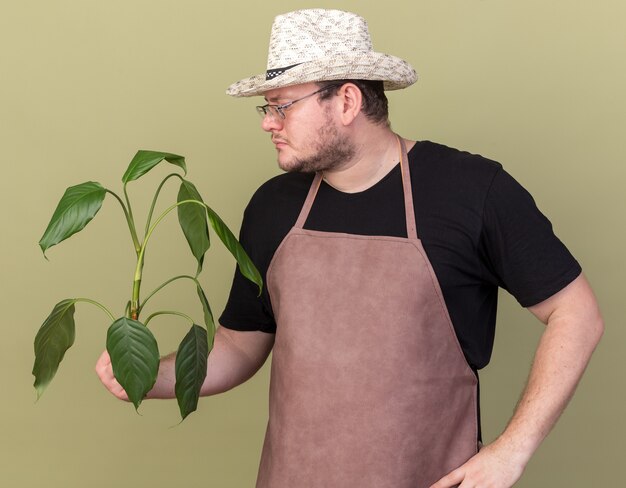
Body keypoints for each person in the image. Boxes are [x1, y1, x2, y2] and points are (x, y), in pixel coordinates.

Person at [96, 8, 603, 488]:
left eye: (282, 106)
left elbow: (576, 313)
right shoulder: (273, 206)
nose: (267, 122)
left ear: (346, 102)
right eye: (266, 107)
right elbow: (239, 345)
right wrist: (148, 376)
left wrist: (512, 449)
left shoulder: (471, 191)